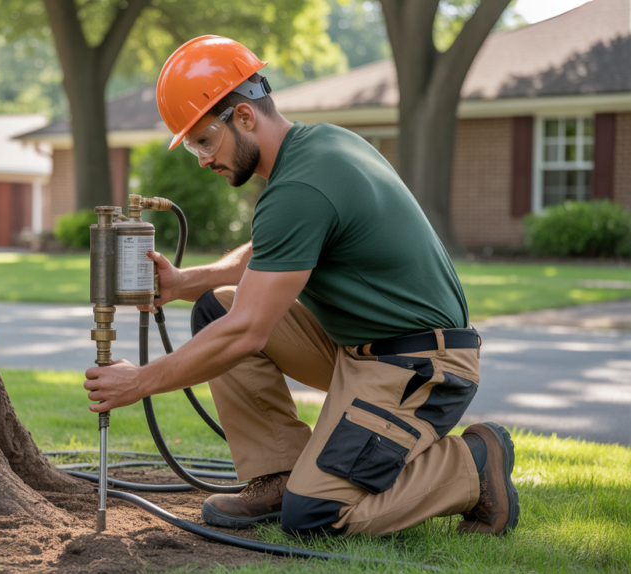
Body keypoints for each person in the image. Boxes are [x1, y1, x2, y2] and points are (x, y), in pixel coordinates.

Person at [83, 36, 519, 538]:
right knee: (215, 309)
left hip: (421, 367)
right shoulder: (318, 148)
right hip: (360, 350)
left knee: (315, 516)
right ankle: (279, 476)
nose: (201, 159)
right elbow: (270, 254)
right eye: (192, 146)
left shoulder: (299, 187)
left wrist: (139, 382)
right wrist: (188, 282)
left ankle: (472, 465)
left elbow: (247, 332)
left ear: (244, 117)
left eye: (204, 140)